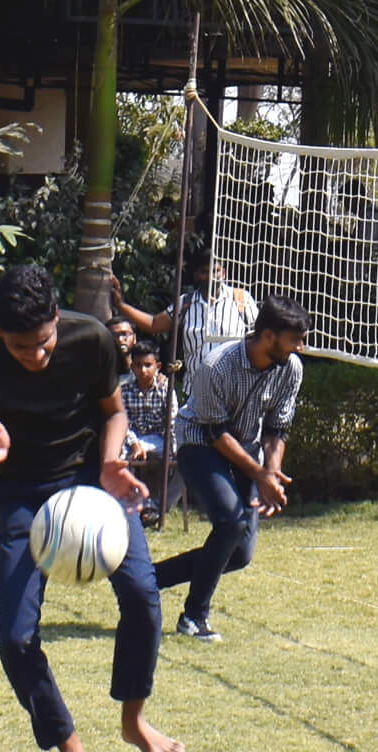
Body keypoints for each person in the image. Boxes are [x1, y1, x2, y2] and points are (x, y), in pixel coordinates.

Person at [0, 262, 184, 752]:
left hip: (92, 479)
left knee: (143, 594)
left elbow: (113, 412)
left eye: (44, 342)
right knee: (14, 636)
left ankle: (134, 721)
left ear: (57, 317)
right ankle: (70, 750)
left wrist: (111, 462)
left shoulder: (90, 338)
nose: (36, 355)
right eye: (20, 347)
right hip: (23, 492)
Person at [153, 298, 309, 640]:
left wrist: (272, 471)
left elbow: (277, 428)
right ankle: (193, 618)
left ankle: (148, 579)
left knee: (239, 553)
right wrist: (260, 475)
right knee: (231, 522)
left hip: (246, 450)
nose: (300, 347)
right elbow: (216, 433)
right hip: (200, 445)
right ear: (268, 336)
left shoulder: (291, 368)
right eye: (294, 340)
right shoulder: (217, 366)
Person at [112, 245, 257, 378]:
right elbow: (154, 324)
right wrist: (120, 305)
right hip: (197, 388)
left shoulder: (241, 299)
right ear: (196, 276)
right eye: (204, 272)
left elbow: (258, 336)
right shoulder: (185, 303)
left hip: (233, 386)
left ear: (223, 273)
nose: (211, 277)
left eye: (215, 271)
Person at [120, 346, 171, 471]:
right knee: (121, 457)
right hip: (133, 439)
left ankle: (168, 485)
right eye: (138, 366)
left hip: (159, 439)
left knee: (176, 457)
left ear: (157, 367)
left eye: (148, 365)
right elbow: (124, 424)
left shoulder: (165, 389)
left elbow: (171, 422)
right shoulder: (125, 391)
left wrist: (173, 449)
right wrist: (134, 444)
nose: (143, 370)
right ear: (132, 367)